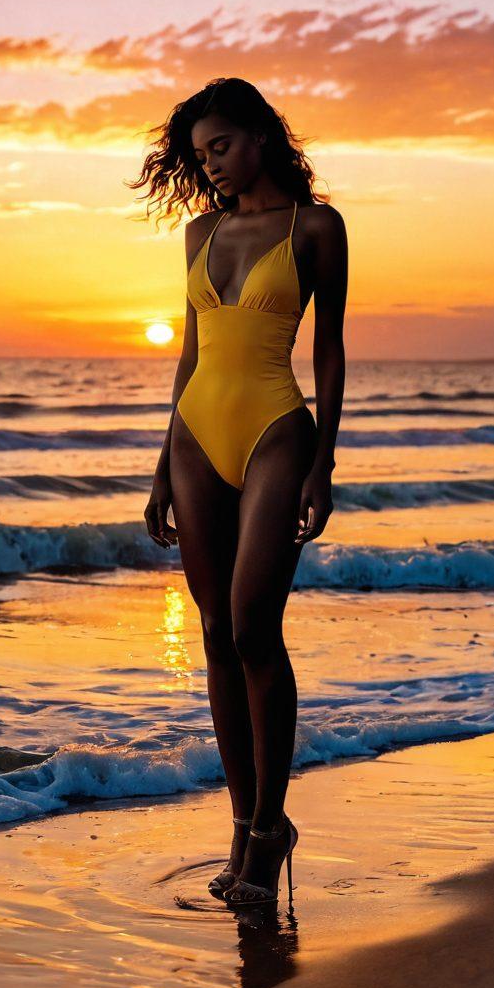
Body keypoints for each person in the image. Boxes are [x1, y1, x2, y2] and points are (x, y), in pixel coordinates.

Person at [128, 77, 348, 906]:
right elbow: (190, 355)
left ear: (261, 135)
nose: (210, 166)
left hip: (276, 432)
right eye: (199, 155)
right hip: (194, 436)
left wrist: (324, 463)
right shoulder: (199, 232)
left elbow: (328, 353)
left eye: (219, 146)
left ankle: (271, 823)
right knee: (216, 630)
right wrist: (160, 464)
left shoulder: (316, 227)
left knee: (257, 625)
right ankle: (245, 824)